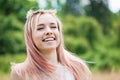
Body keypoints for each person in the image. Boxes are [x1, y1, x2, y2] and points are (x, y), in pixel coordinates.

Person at [10, 9, 91, 80]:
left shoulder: (77, 67)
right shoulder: (19, 73)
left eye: (53, 27)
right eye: (40, 28)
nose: (49, 31)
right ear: (30, 36)